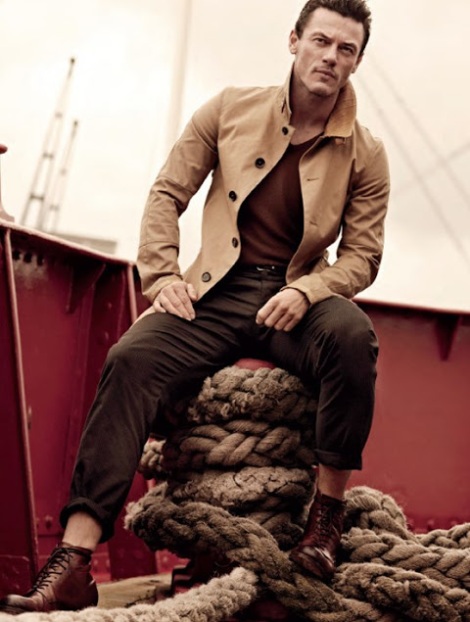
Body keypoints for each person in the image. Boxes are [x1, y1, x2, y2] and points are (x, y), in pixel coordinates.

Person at [0, 0, 389, 614]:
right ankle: (74, 562)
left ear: (357, 62)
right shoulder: (229, 108)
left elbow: (362, 256)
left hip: (296, 300)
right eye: (321, 41)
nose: (331, 57)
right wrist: (161, 276)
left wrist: (308, 291)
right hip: (217, 290)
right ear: (294, 40)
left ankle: (325, 523)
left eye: (346, 49)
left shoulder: (366, 152)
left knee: (353, 337)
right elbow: (167, 193)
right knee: (130, 358)